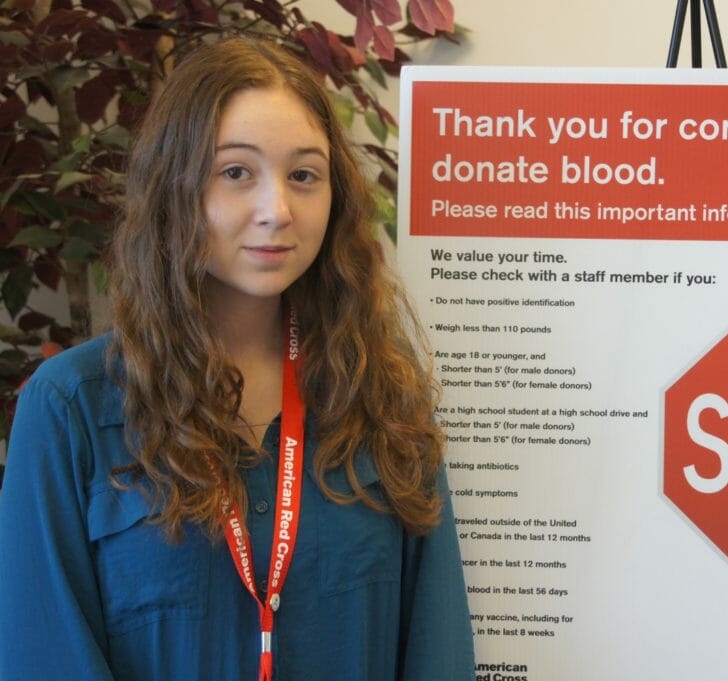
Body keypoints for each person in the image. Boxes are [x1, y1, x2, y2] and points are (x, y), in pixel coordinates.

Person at [0, 37, 474, 680]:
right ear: (176, 187)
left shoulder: (383, 397)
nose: (276, 210)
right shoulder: (70, 409)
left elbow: (435, 651)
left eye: (304, 175)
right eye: (236, 172)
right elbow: (45, 657)